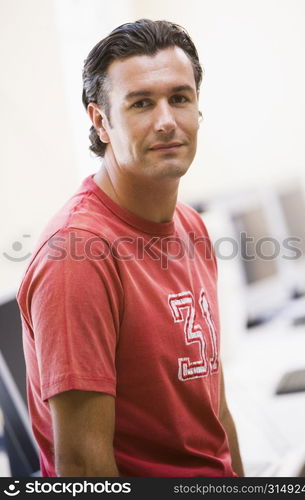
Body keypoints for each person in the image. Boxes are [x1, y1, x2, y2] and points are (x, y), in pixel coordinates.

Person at [17, 19, 244, 477]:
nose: (166, 121)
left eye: (180, 98)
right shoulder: (77, 256)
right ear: (100, 121)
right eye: (141, 103)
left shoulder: (192, 226)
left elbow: (214, 411)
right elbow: (83, 468)